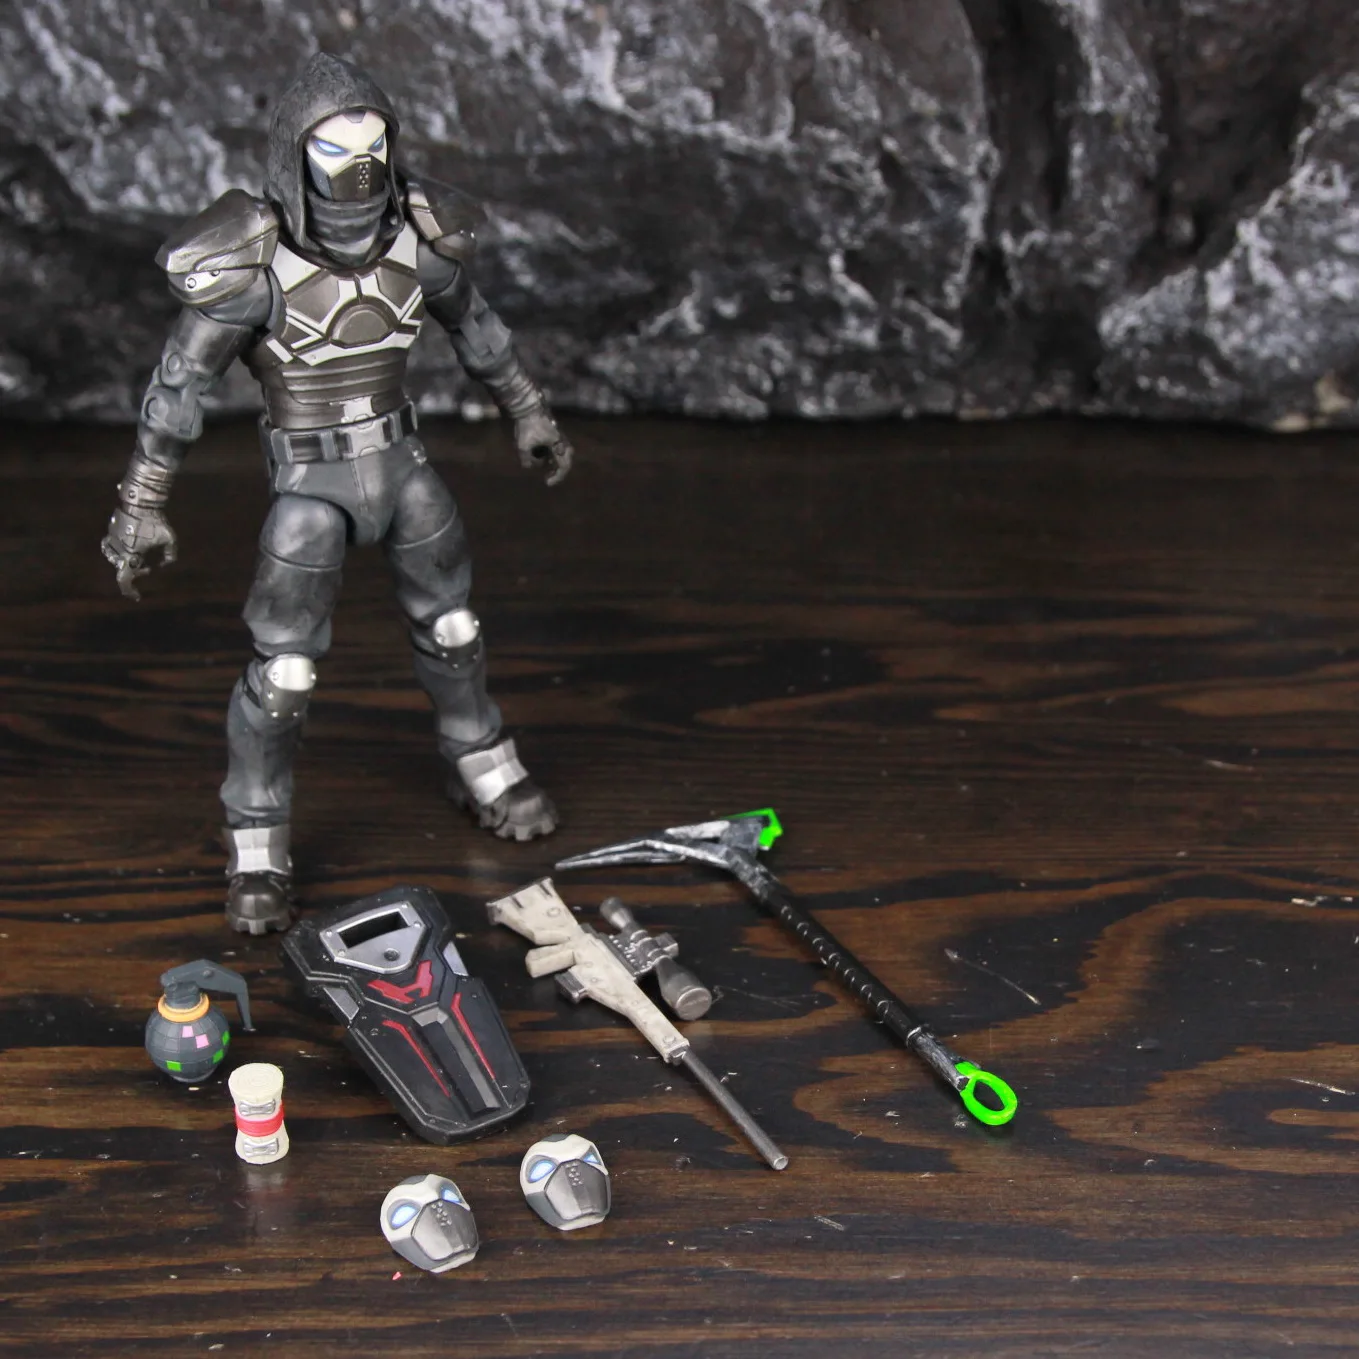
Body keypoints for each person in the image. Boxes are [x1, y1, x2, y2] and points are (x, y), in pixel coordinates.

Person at [101, 53, 572, 935]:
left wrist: (527, 410)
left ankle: (479, 755)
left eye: (372, 144)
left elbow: (477, 327)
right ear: (294, 153)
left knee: (454, 626)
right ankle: (256, 836)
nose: (359, 166)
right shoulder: (251, 265)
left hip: (402, 466)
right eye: (334, 147)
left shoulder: (417, 238)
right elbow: (177, 387)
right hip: (309, 488)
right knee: (283, 673)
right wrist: (142, 500)